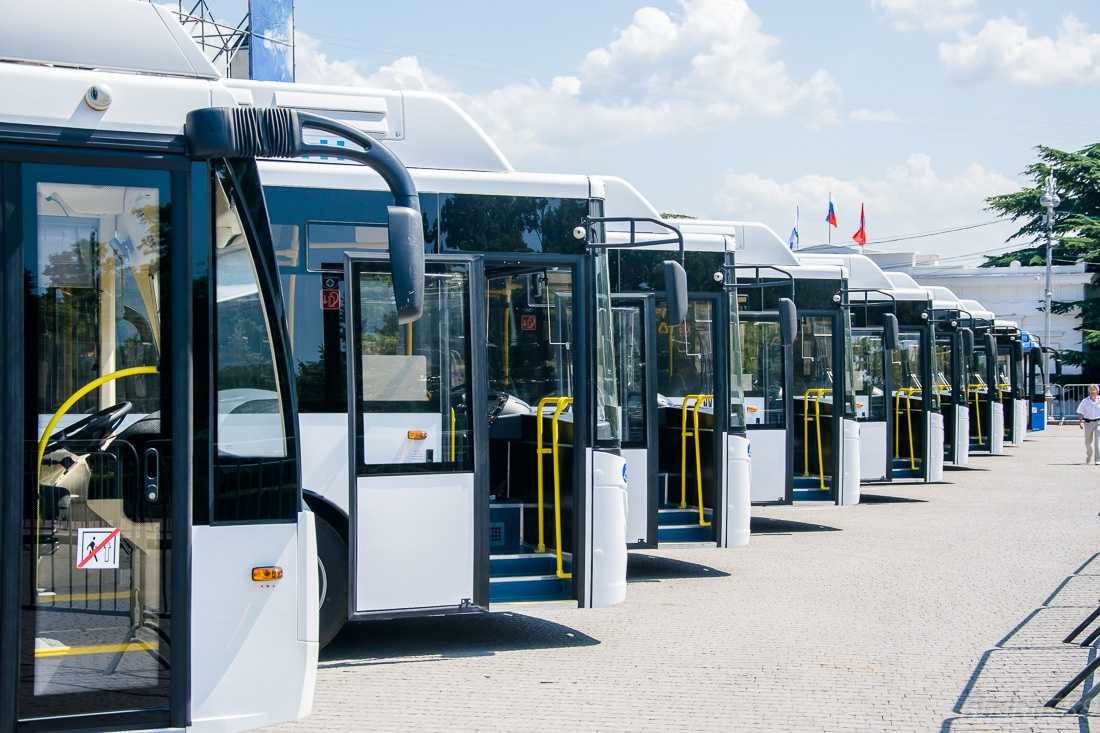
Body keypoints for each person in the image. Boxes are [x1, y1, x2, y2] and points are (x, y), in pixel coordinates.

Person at [1077, 384, 1100, 464]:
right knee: (1087, 443)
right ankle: (1089, 454)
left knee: (1097, 442)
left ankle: (1097, 460)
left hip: (1098, 422)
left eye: (1094, 390)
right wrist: (1080, 422)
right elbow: (1080, 412)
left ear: (1097, 391)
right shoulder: (1085, 401)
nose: (1092, 392)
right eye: (1090, 390)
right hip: (1088, 423)